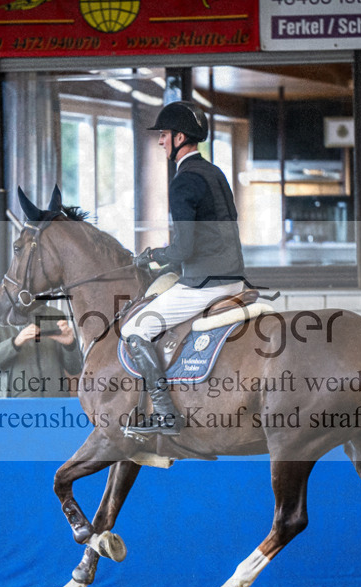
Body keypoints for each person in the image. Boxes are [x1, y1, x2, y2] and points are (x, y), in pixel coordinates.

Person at [120, 100, 246, 436]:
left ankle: (164, 414)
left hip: (205, 282)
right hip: (234, 279)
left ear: (179, 137)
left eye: (163, 134)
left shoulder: (184, 180)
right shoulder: (214, 172)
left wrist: (151, 255)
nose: (160, 141)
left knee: (134, 329)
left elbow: (184, 249)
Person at [0, 303, 82, 398]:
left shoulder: (55, 315)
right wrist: (15, 343)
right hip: (12, 412)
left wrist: (70, 345)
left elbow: (75, 368)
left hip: (55, 409)